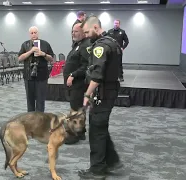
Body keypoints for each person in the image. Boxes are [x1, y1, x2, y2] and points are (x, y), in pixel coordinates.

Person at [78, 15, 123, 179]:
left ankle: (97, 170)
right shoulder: (113, 42)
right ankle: (111, 161)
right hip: (109, 92)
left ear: (96, 27)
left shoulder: (102, 46)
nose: (87, 35)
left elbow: (97, 75)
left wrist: (87, 94)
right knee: (101, 128)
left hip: (102, 94)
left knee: (96, 131)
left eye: (88, 31)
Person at [63, 22, 91, 144]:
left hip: (78, 83)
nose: (73, 33)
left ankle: (74, 136)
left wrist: (73, 75)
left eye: (76, 31)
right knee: (80, 109)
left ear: (83, 32)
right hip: (74, 84)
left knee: (75, 110)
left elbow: (86, 66)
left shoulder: (85, 45)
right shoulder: (77, 44)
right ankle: (81, 133)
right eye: (72, 31)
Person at [18, 26, 54, 112]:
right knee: (30, 100)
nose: (34, 34)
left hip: (41, 76)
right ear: (29, 34)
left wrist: (43, 54)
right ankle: (31, 120)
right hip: (28, 76)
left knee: (40, 100)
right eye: (32, 33)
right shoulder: (25, 44)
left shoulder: (45, 44)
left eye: (35, 32)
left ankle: (40, 121)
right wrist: (30, 51)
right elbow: (20, 58)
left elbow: (51, 58)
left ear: (38, 33)